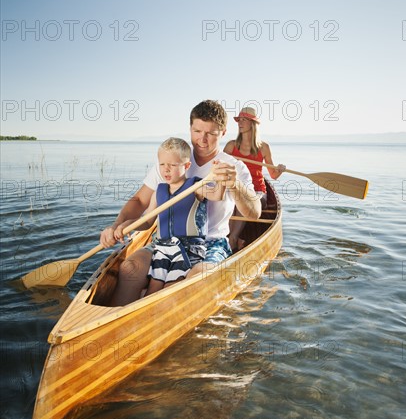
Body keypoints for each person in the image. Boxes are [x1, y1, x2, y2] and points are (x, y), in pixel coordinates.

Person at [100, 100, 260, 306]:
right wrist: (116, 226)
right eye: (197, 131)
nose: (202, 139)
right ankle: (113, 320)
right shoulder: (172, 160)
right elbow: (140, 200)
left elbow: (254, 213)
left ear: (223, 132)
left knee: (198, 277)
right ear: (190, 128)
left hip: (210, 243)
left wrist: (235, 184)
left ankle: (158, 313)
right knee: (130, 266)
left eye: (210, 133)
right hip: (167, 241)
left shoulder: (234, 166)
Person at [113, 137, 225, 296]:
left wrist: (220, 179)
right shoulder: (159, 191)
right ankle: (138, 308)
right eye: (162, 165)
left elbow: (217, 194)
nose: (166, 170)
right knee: (154, 287)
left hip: (189, 250)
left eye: (172, 165)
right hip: (163, 248)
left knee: (170, 289)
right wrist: (126, 225)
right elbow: (147, 221)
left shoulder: (196, 186)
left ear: (186, 166)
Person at [223, 106, 286, 251]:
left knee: (245, 200)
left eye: (244, 120)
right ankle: (231, 238)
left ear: (252, 123)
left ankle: (232, 239)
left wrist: (280, 169)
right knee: (233, 199)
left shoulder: (263, 147)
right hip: (237, 187)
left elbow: (273, 175)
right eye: (239, 120)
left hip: (257, 191)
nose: (240, 122)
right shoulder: (231, 146)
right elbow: (220, 166)